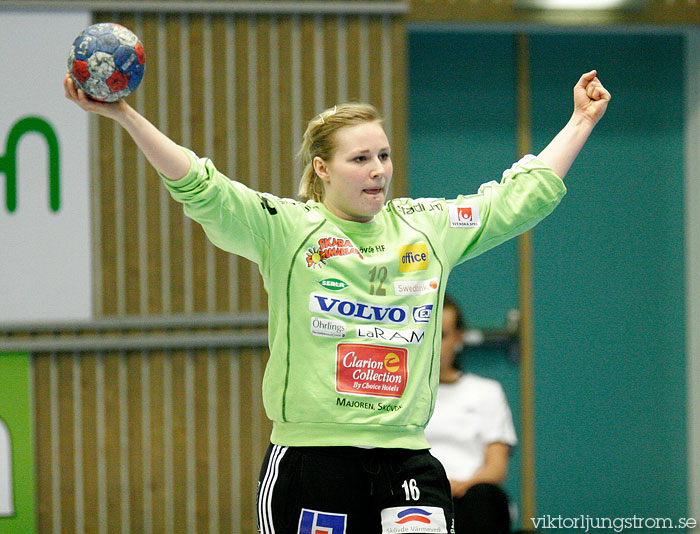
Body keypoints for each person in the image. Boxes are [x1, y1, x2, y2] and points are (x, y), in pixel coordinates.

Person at [64, 69, 610, 534]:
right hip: (311, 463)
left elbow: (515, 200)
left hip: (405, 462)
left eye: (384, 155)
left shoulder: (426, 229)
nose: (378, 169)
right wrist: (126, 116)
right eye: (360, 158)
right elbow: (202, 186)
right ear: (322, 168)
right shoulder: (286, 229)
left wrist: (580, 121)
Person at [425, 294, 517, 534]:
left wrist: (463, 484)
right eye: (426, 333)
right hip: (417, 494)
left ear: (458, 338)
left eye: (442, 335)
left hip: (467, 495)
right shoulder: (399, 394)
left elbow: (497, 466)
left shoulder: (486, 391)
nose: (433, 343)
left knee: (486, 497)